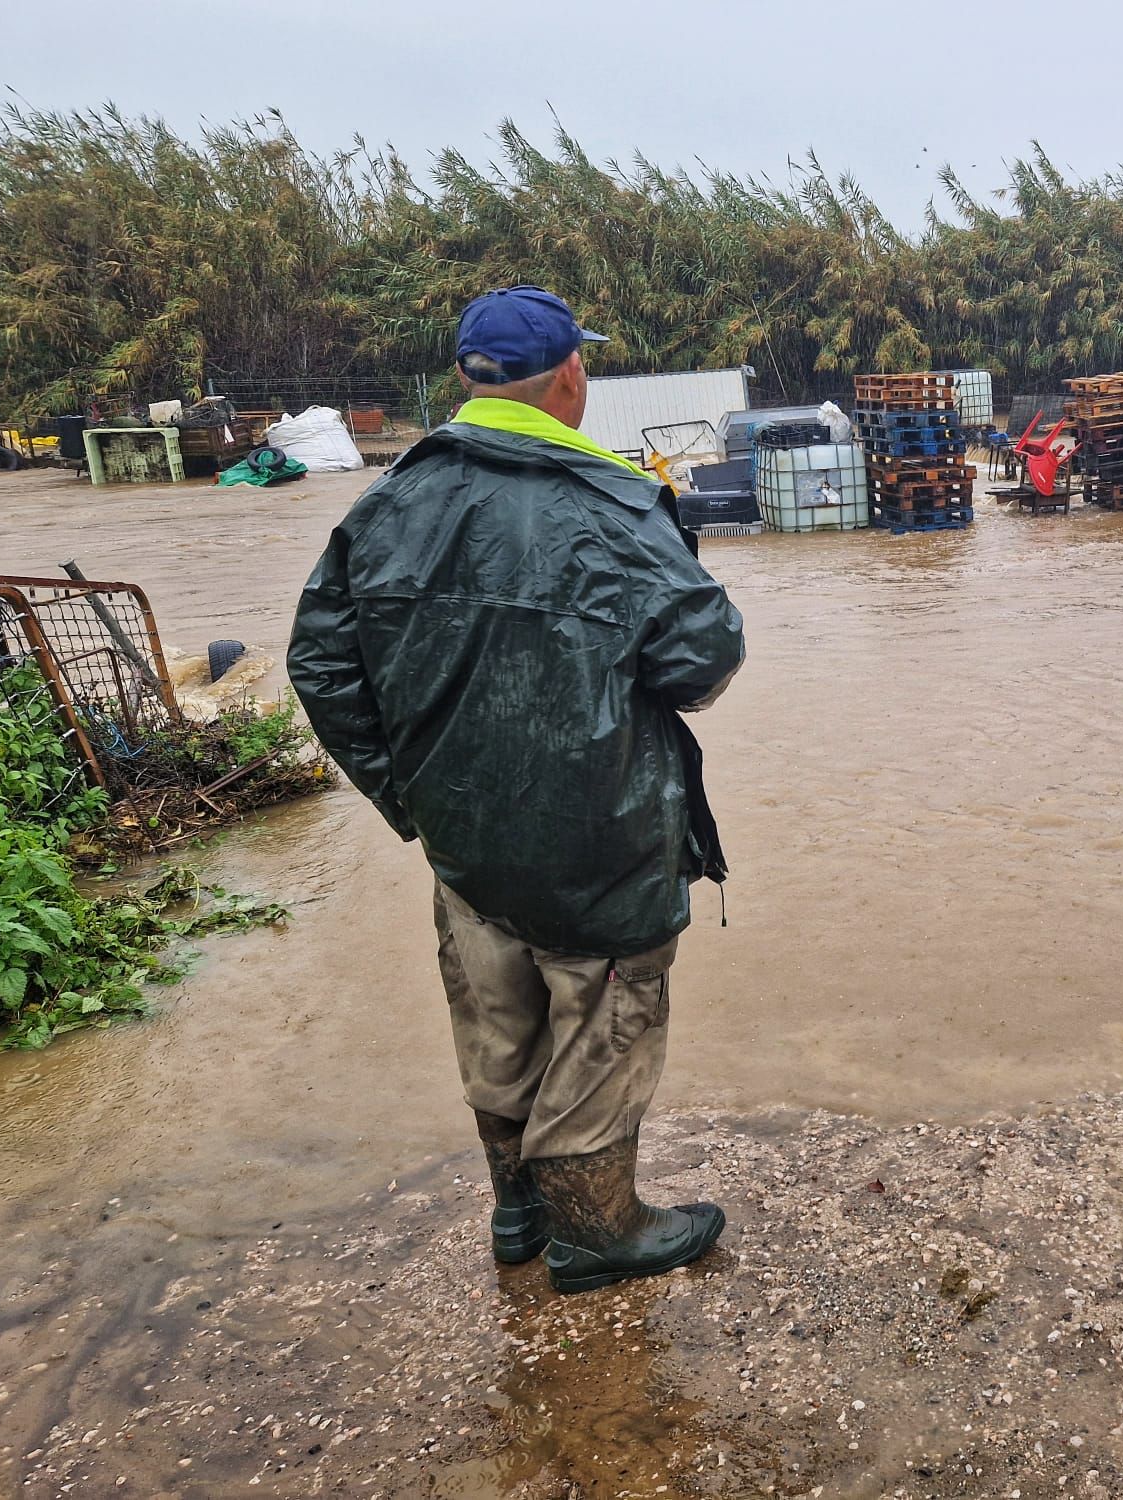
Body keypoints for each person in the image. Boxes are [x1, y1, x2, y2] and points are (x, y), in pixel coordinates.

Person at [288, 286, 745, 1294]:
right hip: (602, 834)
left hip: (462, 841)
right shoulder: (614, 503)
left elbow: (321, 668)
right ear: (572, 378)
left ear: (467, 379)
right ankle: (599, 1230)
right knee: (601, 1016)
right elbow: (702, 660)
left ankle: (518, 1213)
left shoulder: (390, 498)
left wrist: (409, 797)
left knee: (497, 1017)